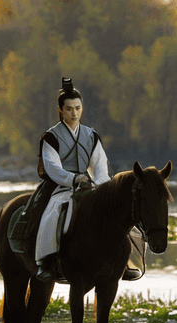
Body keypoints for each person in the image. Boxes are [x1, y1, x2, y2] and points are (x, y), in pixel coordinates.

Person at [35, 77, 142, 281]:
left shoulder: (91, 135)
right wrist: (74, 179)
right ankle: (45, 261)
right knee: (54, 211)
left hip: (90, 187)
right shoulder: (51, 137)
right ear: (60, 110)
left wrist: (101, 186)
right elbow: (52, 167)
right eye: (69, 109)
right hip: (62, 187)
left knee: (117, 213)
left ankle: (123, 261)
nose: (74, 113)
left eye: (77, 108)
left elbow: (100, 166)